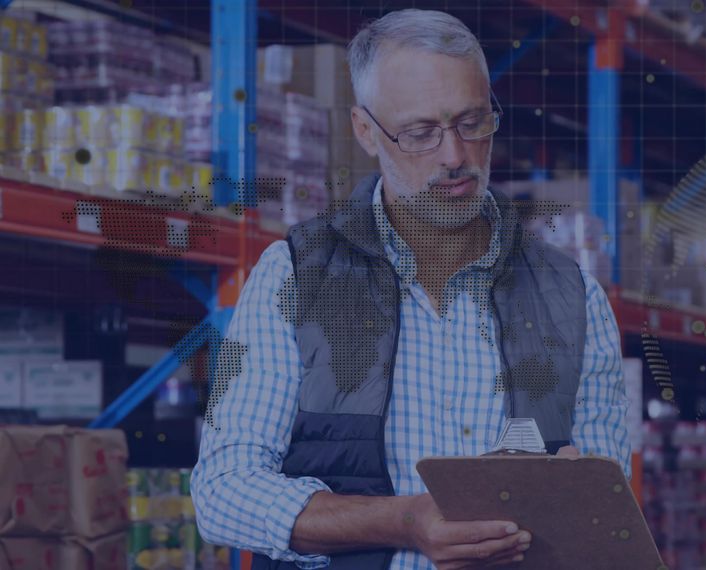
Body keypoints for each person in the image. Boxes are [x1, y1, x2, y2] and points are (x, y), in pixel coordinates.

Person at [191, 9, 630, 570]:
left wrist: (561, 497)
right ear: (366, 131)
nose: (455, 156)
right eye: (421, 133)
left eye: (473, 123)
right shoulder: (292, 277)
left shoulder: (574, 297)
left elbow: (606, 501)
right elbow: (222, 492)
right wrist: (404, 521)